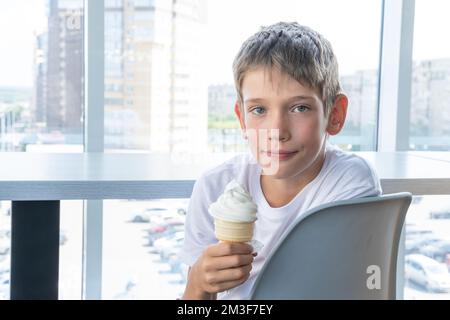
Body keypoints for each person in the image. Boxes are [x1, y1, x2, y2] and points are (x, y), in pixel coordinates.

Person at [179, 22, 382, 300]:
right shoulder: (215, 186)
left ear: (334, 115)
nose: (277, 131)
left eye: (300, 108)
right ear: (242, 119)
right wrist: (199, 284)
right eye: (259, 110)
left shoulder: (350, 181)